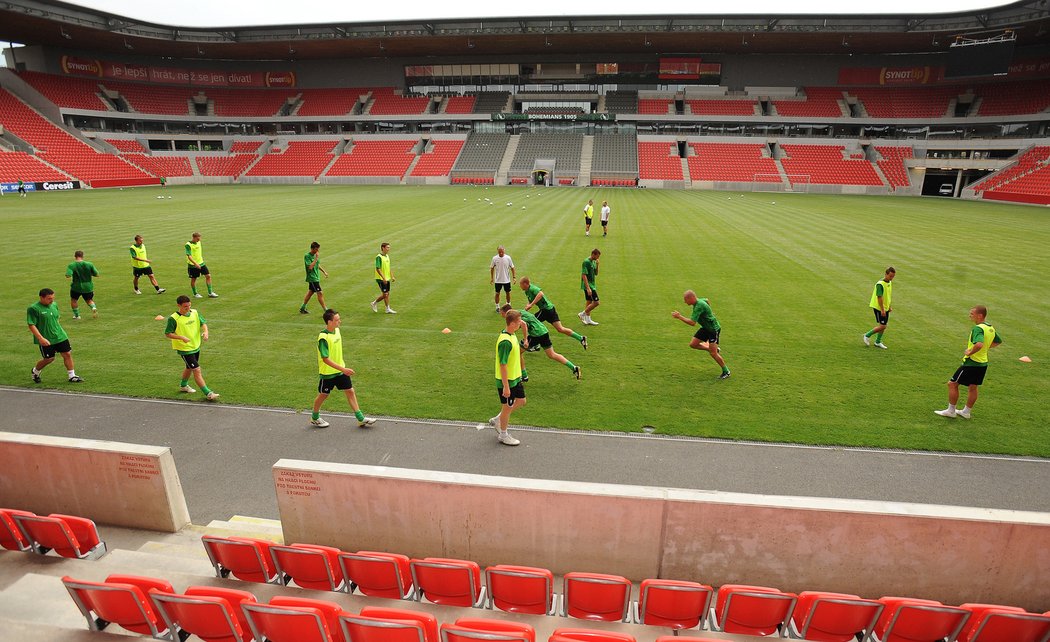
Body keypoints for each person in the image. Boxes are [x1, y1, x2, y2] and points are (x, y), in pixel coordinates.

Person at [310, 308, 377, 428]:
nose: (339, 322)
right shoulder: (323, 338)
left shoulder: (337, 331)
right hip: (328, 374)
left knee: (350, 391)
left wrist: (342, 369)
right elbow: (325, 359)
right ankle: (315, 417)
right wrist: (343, 369)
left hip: (340, 371)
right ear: (329, 322)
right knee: (323, 395)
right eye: (337, 320)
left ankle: (360, 418)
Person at [935, 306, 1002, 420]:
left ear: (980, 315)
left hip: (972, 363)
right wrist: (985, 348)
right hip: (983, 363)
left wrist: (970, 352)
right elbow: (997, 341)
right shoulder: (990, 327)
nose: (969, 315)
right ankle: (966, 412)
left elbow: (979, 344)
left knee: (952, 384)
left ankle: (951, 411)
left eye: (972, 313)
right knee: (973, 387)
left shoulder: (978, 329)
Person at [500, 304, 580, 380]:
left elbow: (523, 324)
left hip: (536, 334)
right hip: (544, 331)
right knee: (552, 354)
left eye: (502, 314)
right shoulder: (520, 311)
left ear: (506, 312)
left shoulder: (514, 316)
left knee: (518, 352)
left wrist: (526, 340)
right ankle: (574, 367)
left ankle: (524, 376)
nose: (502, 316)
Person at [164, 295, 219, 400]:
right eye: (185, 306)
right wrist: (181, 337)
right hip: (185, 349)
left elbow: (203, 323)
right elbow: (168, 334)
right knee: (197, 369)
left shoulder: (194, 313)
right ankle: (208, 393)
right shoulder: (173, 318)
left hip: (196, 346)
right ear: (178, 305)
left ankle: (183, 386)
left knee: (189, 367)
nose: (188, 308)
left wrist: (206, 332)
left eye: (189, 305)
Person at [672, 290, 731, 379]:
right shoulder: (699, 300)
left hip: (713, 330)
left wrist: (679, 317)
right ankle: (711, 348)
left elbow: (692, 323)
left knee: (713, 354)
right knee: (693, 344)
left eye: (685, 300)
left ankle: (726, 371)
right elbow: (707, 300)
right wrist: (710, 312)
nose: (685, 302)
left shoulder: (698, 306)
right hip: (705, 327)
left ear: (691, 298)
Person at [27, 288, 83, 383]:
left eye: (53, 298)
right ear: (41, 297)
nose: (52, 300)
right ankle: (35, 371)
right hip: (46, 338)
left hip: (60, 335)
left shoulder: (54, 305)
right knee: (49, 359)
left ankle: (72, 376)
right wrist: (40, 338)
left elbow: (56, 319)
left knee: (67, 354)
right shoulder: (34, 309)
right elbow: (31, 324)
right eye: (49, 298)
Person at [488, 309, 525, 446]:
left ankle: (498, 419)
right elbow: (503, 365)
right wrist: (506, 386)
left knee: (521, 400)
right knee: (507, 408)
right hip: (507, 381)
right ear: (512, 324)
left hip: (515, 378)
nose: (521, 324)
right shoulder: (505, 342)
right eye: (519, 322)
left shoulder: (512, 334)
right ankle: (503, 435)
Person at [519, 276, 588, 349]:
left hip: (546, 310)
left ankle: (535, 344)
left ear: (525, 284)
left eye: (521, 284)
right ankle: (581, 338)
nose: (520, 286)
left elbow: (541, 294)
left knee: (532, 323)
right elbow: (530, 299)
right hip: (550, 309)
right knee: (560, 329)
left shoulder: (533, 288)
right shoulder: (527, 291)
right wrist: (528, 306)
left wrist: (531, 305)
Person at [863, 267, 895, 349]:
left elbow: (888, 296)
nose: (891, 278)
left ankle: (878, 341)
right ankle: (867, 335)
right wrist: (882, 309)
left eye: (893, 276)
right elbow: (879, 297)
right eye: (890, 276)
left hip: (885, 307)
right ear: (886, 274)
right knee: (883, 326)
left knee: (883, 324)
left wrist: (889, 306)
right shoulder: (880, 284)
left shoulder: (889, 283)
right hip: (879, 307)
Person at [65, 250, 99, 320]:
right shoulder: (89, 264)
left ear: (75, 256)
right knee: (89, 300)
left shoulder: (72, 265)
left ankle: (77, 316)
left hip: (76, 287)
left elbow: (68, 275)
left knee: (74, 300)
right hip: (88, 286)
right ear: (82, 256)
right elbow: (97, 274)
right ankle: (93, 307)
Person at [185, 232, 218, 299]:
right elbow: (189, 256)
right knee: (194, 279)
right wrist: (195, 264)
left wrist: (199, 263)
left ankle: (210, 292)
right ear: (194, 237)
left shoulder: (199, 242)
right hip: (193, 265)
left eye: (199, 238)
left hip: (201, 263)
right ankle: (195, 293)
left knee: (208, 276)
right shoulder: (188, 245)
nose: (199, 240)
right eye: (197, 239)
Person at [300, 242, 328, 314]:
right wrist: (316, 258)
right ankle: (326, 311)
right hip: (312, 278)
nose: (318, 250)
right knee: (320, 293)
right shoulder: (307, 256)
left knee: (310, 292)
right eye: (316, 249)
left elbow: (317, 265)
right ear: (312, 248)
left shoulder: (315, 255)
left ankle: (303, 308)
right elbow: (310, 267)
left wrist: (324, 271)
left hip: (316, 277)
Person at [371, 242, 396, 314]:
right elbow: (378, 268)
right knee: (385, 294)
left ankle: (387, 308)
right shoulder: (379, 257)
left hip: (387, 278)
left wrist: (392, 276)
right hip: (381, 278)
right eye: (387, 247)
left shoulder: (387, 256)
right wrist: (383, 278)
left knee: (387, 293)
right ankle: (374, 303)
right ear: (383, 248)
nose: (389, 249)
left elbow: (389, 267)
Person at [489, 245, 516, 312]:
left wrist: (514, 277)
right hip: (498, 280)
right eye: (499, 252)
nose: (501, 253)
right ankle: (497, 307)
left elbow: (512, 267)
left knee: (508, 293)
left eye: (502, 252)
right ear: (498, 251)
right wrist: (492, 278)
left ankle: (508, 305)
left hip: (506, 280)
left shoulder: (508, 258)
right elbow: (492, 268)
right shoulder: (494, 258)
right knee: (497, 293)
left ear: (504, 251)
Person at [579, 248, 601, 326]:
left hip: (592, 285)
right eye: (597, 256)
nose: (597, 258)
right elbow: (584, 275)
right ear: (593, 254)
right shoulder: (586, 262)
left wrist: (598, 264)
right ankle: (582, 314)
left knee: (589, 301)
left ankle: (588, 320)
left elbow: (596, 273)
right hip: (588, 285)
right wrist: (588, 288)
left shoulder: (593, 261)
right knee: (596, 302)